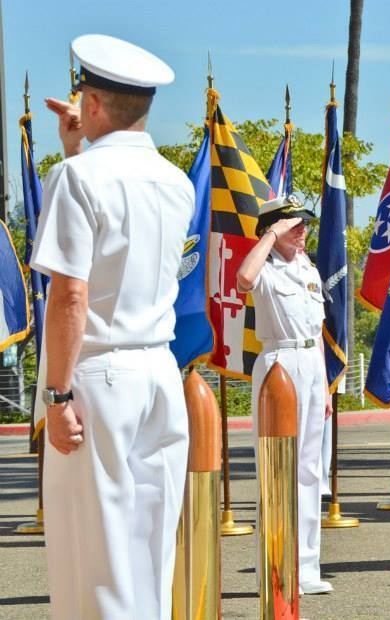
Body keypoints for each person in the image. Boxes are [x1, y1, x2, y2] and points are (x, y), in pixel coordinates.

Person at [32, 35, 194, 619]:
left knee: (94, 558)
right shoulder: (175, 181)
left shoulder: (74, 179)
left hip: (97, 374)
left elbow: (71, 294)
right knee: (150, 550)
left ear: (92, 103)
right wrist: (82, 149)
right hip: (158, 368)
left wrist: (56, 394)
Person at [237, 194, 334, 596]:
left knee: (310, 469)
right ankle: (274, 562)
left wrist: (326, 384)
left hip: (311, 365)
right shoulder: (266, 266)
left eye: (304, 225)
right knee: (278, 468)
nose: (303, 232)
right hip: (279, 362)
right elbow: (244, 278)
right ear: (273, 229)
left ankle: (306, 567)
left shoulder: (307, 268)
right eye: (294, 226)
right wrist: (270, 235)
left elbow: (318, 331)